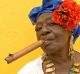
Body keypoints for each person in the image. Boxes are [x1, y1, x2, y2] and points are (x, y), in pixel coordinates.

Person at [18, 0, 80, 74]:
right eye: (38, 28)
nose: (43, 31)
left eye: (51, 23)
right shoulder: (28, 71)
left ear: (70, 29)